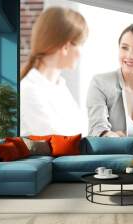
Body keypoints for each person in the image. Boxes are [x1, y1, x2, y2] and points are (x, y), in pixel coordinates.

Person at [20, 7, 88, 136]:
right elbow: (63, 144)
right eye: (81, 44)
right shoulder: (29, 91)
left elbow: (81, 134)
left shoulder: (59, 86)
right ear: (66, 46)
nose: (81, 52)